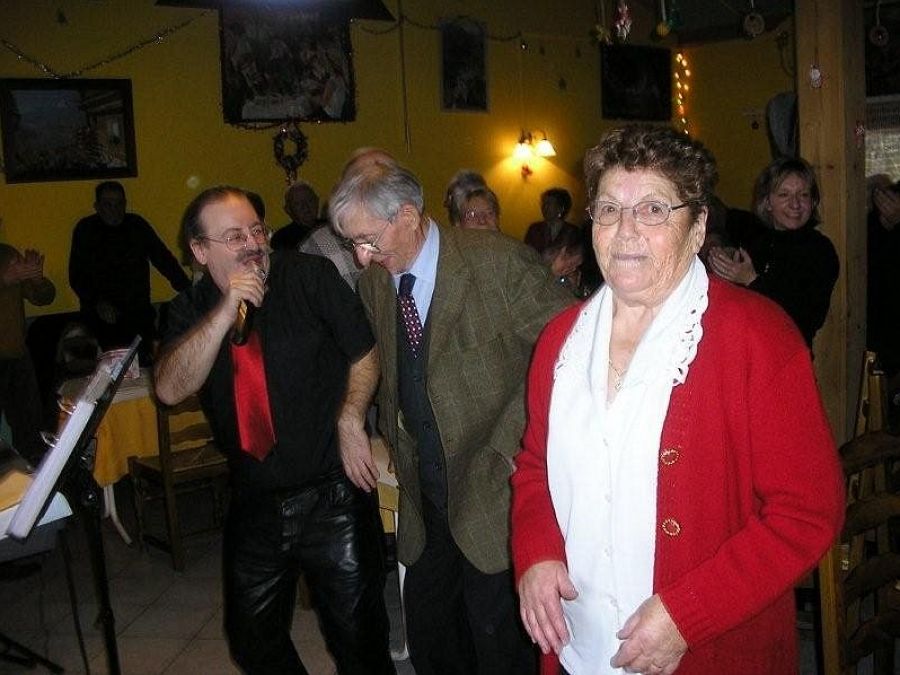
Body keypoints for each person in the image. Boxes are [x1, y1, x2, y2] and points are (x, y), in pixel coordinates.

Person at [511, 124, 845, 675]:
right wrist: (537, 554)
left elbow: (807, 512)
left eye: (653, 209)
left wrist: (688, 615)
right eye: (610, 209)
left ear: (697, 228)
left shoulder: (759, 338)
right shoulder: (559, 341)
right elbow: (534, 466)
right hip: (577, 644)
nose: (626, 231)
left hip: (712, 648)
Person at [329, 160, 571, 675]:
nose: (360, 256)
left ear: (408, 216)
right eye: (352, 243)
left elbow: (569, 352)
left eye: (367, 240)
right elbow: (379, 360)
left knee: (501, 648)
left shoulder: (498, 263)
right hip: (426, 500)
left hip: (495, 490)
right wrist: (351, 417)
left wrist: (514, 444)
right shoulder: (376, 282)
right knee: (434, 642)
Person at [154, 186, 394, 674]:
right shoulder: (188, 309)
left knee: (360, 643)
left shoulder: (308, 276)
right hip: (255, 499)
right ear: (199, 251)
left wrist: (350, 418)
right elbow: (170, 389)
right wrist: (225, 310)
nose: (251, 244)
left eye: (256, 230)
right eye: (233, 236)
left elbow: (365, 351)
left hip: (333, 492)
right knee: (251, 640)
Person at [706, 157, 839, 348]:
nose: (795, 204)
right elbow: (720, 216)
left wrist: (752, 280)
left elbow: (805, 319)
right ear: (768, 202)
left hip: (787, 354)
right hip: (746, 351)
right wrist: (719, 251)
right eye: (784, 195)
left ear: (813, 201)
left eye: (803, 195)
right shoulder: (757, 238)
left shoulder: (819, 250)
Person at [69, 181, 190, 364]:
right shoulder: (86, 229)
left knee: (148, 365)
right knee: (107, 371)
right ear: (97, 206)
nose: (114, 210)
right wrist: (97, 302)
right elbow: (77, 276)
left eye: (119, 204)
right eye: (108, 204)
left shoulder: (136, 226)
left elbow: (163, 259)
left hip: (137, 315)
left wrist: (188, 290)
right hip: (99, 318)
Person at [0, 222, 55, 465]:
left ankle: (36, 478)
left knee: (30, 427)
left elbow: (44, 298)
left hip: (17, 354)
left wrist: (38, 280)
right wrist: (5, 279)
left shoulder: (6, 253)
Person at [524, 188, 580, 254]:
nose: (545, 207)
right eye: (544, 203)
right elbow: (525, 252)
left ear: (560, 208)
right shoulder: (534, 229)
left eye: (549, 203)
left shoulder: (573, 232)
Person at [270, 180, 321, 251]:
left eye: (309, 200)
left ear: (317, 201)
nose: (305, 206)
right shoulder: (282, 238)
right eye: (298, 203)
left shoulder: (330, 228)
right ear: (288, 210)